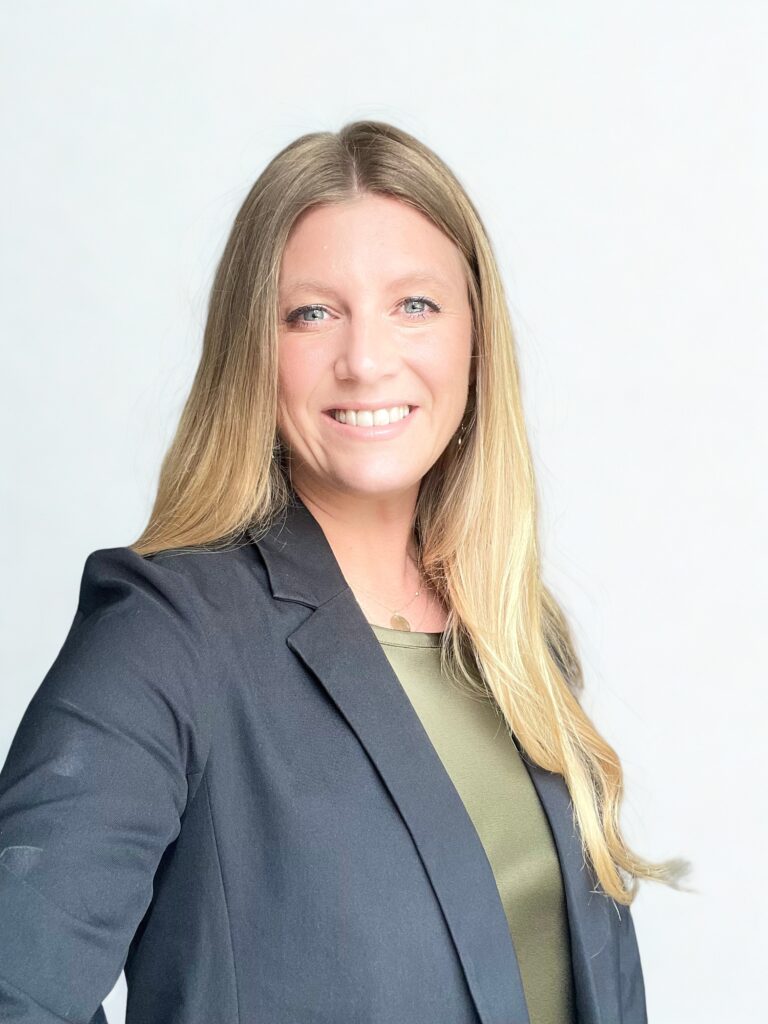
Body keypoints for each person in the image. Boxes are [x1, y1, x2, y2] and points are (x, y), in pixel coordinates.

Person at [0, 120, 690, 1024]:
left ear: (476, 341)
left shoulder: (516, 636)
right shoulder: (169, 633)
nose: (366, 360)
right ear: (254, 348)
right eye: (312, 312)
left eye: (414, 305)